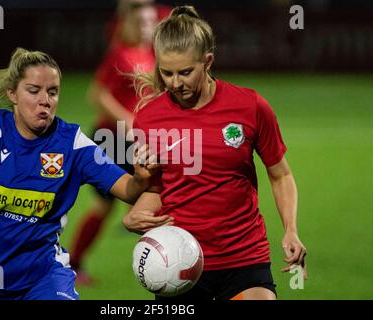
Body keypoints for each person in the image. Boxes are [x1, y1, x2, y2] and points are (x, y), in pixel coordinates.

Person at [0, 47, 157, 300]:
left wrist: (141, 177)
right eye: (34, 91)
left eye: (52, 92)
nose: (45, 100)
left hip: (43, 279)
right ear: (13, 94)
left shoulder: (74, 144)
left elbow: (128, 190)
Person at [123, 6, 307, 300]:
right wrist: (136, 215)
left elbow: (281, 174)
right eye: (166, 73)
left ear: (207, 61)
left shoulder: (250, 106)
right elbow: (159, 188)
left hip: (244, 256)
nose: (175, 83)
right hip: (179, 261)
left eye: (185, 72)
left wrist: (291, 229)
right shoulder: (148, 119)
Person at [67, 0, 159, 285]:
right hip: (112, 140)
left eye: (151, 22)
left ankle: (74, 263)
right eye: (142, 22)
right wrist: (128, 120)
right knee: (147, 201)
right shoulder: (120, 54)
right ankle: (73, 263)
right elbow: (97, 95)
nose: (148, 27)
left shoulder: (147, 52)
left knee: (140, 202)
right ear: (127, 23)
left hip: (131, 141)